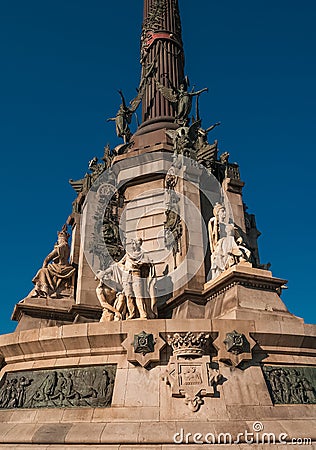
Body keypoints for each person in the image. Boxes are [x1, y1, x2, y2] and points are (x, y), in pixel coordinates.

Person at [30, 225, 76, 298]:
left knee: (42, 271)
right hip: (66, 267)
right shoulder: (67, 247)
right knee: (45, 270)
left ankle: (45, 290)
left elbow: (47, 259)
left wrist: (44, 266)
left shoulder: (60, 247)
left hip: (60, 268)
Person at [119, 238, 157, 319]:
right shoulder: (128, 255)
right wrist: (124, 267)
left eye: (137, 243)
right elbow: (119, 264)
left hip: (136, 274)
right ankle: (132, 314)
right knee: (129, 296)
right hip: (127, 275)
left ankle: (143, 314)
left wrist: (142, 263)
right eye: (134, 243)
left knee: (138, 295)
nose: (135, 245)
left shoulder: (143, 254)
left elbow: (148, 263)